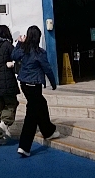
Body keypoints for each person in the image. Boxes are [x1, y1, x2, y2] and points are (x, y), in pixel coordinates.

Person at [12, 25, 60, 157]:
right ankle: (24, 146)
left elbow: (14, 56)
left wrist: (19, 43)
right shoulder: (40, 53)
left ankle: (48, 131)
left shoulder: (23, 49)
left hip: (24, 85)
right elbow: (47, 68)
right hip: (34, 85)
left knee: (41, 104)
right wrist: (53, 83)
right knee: (32, 115)